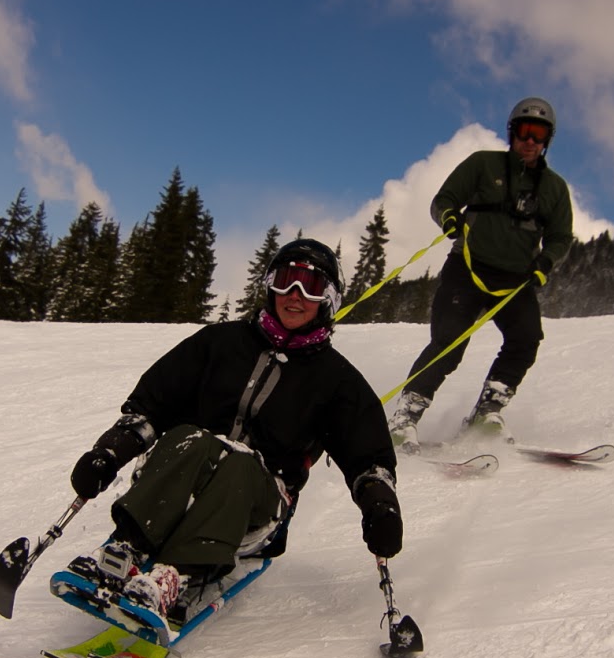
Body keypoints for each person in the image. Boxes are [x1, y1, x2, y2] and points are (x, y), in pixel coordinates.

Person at [64, 238, 403, 619]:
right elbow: (153, 401)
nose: (295, 295)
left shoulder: (337, 381)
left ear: (329, 300)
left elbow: (367, 456)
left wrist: (380, 505)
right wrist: (110, 451)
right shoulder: (219, 343)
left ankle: (179, 575)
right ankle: (126, 548)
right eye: (286, 280)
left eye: (311, 287)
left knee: (240, 465)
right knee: (188, 438)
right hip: (183, 478)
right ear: (269, 284)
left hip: (256, 505)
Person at [387, 96, 576, 447]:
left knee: (526, 338)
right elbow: (442, 200)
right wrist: (449, 218)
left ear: (548, 139)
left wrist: (544, 263)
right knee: (449, 343)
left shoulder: (555, 188)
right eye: (524, 131)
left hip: (516, 281)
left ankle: (487, 411)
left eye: (538, 134)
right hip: (467, 269)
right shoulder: (482, 165)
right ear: (512, 132)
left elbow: (561, 236)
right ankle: (406, 416)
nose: (530, 140)